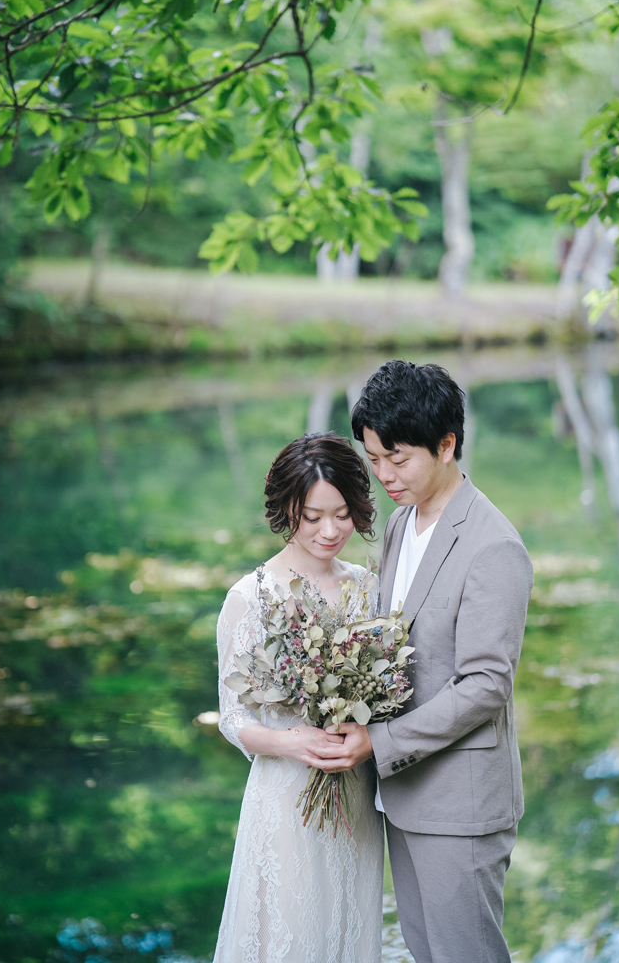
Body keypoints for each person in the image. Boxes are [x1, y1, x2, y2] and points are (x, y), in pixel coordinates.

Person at [315, 360, 534, 963]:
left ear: (446, 445)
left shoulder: (494, 546)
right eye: (373, 458)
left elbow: (486, 685)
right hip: (402, 796)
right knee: (423, 951)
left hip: (461, 803)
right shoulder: (399, 522)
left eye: (398, 458)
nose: (384, 475)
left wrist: (379, 742)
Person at [214, 433, 384, 963]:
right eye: (312, 517)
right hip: (286, 799)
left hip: (355, 797)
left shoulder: (367, 588)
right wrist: (292, 741)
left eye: (343, 514)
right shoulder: (251, 596)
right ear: (287, 509)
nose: (330, 531)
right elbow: (232, 718)